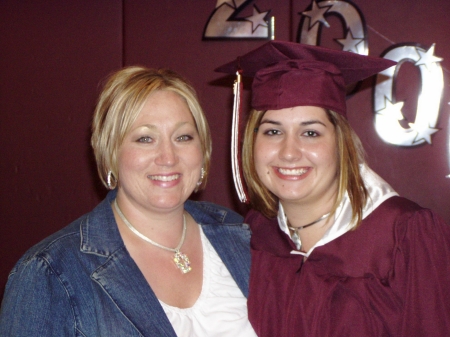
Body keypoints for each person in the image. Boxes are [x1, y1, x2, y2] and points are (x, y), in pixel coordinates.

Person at [0, 66, 257, 337]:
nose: (168, 157)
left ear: (202, 151)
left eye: (183, 137)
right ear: (111, 152)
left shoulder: (241, 235)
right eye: (145, 139)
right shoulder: (49, 273)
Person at [216, 41, 450, 336]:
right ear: (252, 142)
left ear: (340, 142)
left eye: (310, 132)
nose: (289, 152)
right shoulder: (257, 232)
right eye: (273, 131)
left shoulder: (403, 235)